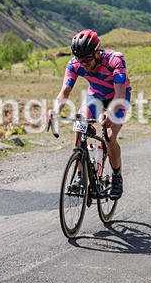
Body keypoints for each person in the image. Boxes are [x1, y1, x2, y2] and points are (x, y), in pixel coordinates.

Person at [48, 29, 131, 199]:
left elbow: (120, 94)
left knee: (109, 136)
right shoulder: (74, 64)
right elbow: (65, 91)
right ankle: (80, 178)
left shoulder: (115, 59)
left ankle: (116, 177)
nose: (83, 64)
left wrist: (109, 113)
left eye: (87, 59)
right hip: (95, 97)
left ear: (97, 53)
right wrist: (55, 110)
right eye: (80, 59)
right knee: (79, 125)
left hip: (118, 98)